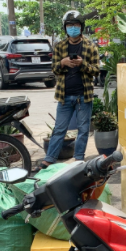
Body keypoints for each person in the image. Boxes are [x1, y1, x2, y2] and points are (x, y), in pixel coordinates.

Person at [41, 10, 99, 169]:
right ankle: (49, 159)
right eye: (70, 25)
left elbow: (96, 71)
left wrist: (83, 65)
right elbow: (54, 70)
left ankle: (79, 160)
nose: (73, 28)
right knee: (59, 129)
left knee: (83, 130)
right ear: (65, 27)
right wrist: (63, 63)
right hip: (64, 96)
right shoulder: (59, 46)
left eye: (76, 25)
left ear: (81, 27)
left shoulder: (90, 46)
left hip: (84, 96)